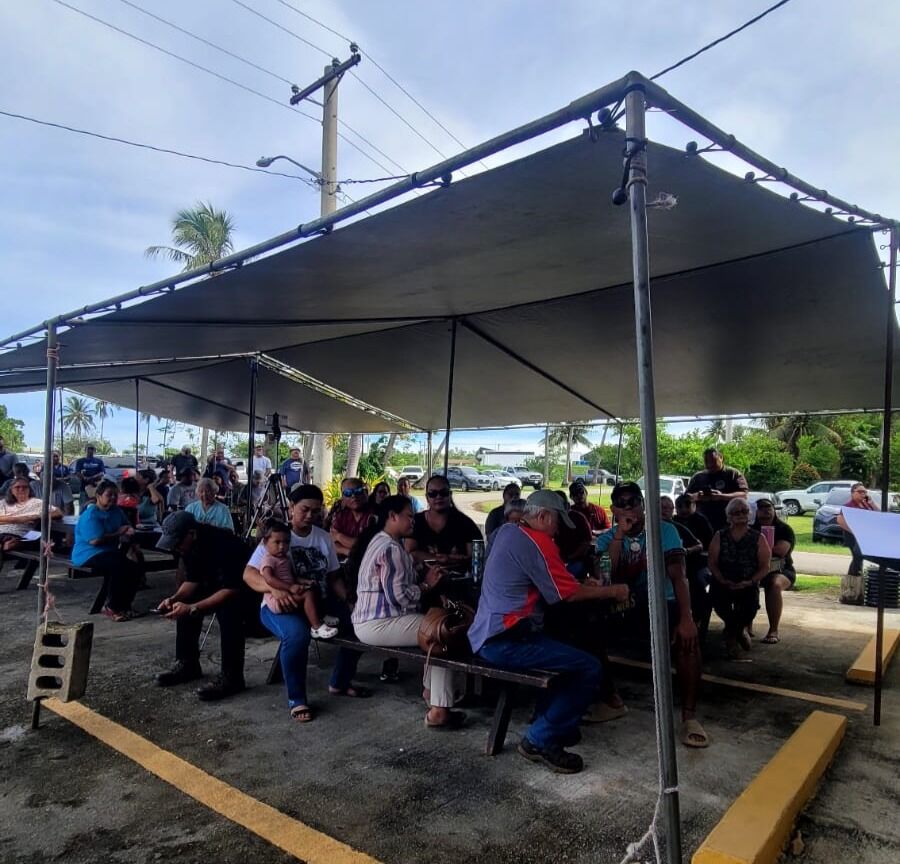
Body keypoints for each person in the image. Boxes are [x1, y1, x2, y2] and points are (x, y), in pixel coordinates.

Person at [470, 490, 629, 773]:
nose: (558, 530)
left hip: (489, 633)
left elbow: (556, 581)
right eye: (557, 523)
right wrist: (612, 590)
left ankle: (551, 723)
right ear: (542, 517)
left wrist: (583, 585)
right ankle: (539, 740)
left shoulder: (509, 531)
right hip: (504, 640)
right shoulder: (537, 542)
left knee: (565, 650)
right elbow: (565, 595)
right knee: (588, 668)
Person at [595, 482, 708, 748]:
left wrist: (686, 617)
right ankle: (612, 699)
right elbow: (606, 576)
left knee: (688, 642)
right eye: (621, 503)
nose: (628, 507)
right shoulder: (606, 539)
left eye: (633, 501)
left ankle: (689, 716)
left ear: (643, 505)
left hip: (662, 601)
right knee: (585, 629)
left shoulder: (664, 530)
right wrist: (620, 535)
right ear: (613, 509)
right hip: (624, 604)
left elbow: (679, 575)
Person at [243, 484, 368, 722]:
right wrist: (274, 589)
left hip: (318, 600)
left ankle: (340, 682)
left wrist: (350, 601)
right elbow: (249, 574)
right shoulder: (277, 536)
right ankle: (297, 699)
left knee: (361, 624)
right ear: (291, 507)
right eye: (304, 509)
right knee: (297, 635)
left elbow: (333, 576)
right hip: (280, 606)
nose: (310, 515)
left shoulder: (322, 537)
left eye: (316, 511)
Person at [352, 495, 466, 729]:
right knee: (441, 634)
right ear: (392, 516)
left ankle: (432, 694)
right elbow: (399, 597)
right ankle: (439, 709)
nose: (413, 521)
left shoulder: (381, 541)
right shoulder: (391, 549)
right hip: (379, 622)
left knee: (434, 626)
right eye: (409, 516)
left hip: (369, 620)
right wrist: (426, 585)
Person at [155, 511, 250, 700]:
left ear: (192, 534)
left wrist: (193, 608)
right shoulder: (188, 548)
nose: (176, 549)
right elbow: (193, 581)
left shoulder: (226, 545)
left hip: (246, 593)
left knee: (229, 611)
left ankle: (232, 677)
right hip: (217, 587)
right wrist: (174, 599)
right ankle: (187, 663)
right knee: (185, 603)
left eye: (177, 543)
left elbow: (231, 590)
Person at [71, 479, 145, 621]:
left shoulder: (116, 511)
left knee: (135, 567)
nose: (112, 498)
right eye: (109, 495)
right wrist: (118, 533)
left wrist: (128, 530)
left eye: (115, 495)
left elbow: (127, 525)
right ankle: (112, 607)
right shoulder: (91, 514)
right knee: (121, 567)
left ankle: (125, 605)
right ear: (98, 496)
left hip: (109, 552)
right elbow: (95, 540)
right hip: (89, 553)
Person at [708, 498, 770, 658]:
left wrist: (749, 581)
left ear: (750, 514)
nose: (740, 515)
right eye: (736, 512)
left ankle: (732, 633)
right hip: (723, 581)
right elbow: (712, 562)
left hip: (748, 581)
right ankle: (736, 633)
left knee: (749, 609)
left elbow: (765, 566)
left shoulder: (759, 537)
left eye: (744, 511)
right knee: (720, 604)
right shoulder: (719, 536)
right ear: (729, 516)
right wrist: (721, 579)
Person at [257, 519, 338, 639]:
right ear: (265, 542)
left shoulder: (284, 558)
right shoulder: (268, 559)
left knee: (314, 589)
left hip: (289, 592)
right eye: (277, 542)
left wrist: (303, 581)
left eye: (286, 542)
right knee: (308, 595)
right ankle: (316, 627)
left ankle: (320, 615)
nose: (282, 546)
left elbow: (291, 576)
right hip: (277, 600)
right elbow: (269, 579)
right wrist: (290, 587)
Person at [406, 475, 482, 571]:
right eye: (433, 493)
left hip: (458, 582)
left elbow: (475, 559)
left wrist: (448, 559)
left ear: (450, 494)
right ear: (427, 497)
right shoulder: (416, 521)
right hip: (422, 583)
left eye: (443, 493)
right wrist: (440, 558)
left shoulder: (466, 524)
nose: (438, 497)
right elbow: (410, 553)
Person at [661, 496, 711, 638]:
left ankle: (696, 623)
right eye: (661, 507)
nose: (664, 511)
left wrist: (685, 551)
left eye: (667, 508)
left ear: (672, 511)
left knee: (697, 586)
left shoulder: (678, 527)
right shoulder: (647, 529)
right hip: (660, 572)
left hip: (688, 567)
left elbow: (699, 545)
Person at [751, 497, 796, 644]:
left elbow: (780, 551)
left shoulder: (784, 529)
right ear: (756, 512)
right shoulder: (750, 529)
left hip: (781, 570)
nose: (766, 513)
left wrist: (760, 546)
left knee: (774, 584)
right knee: (746, 583)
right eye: (762, 510)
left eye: (769, 509)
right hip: (753, 569)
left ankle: (773, 630)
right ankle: (745, 626)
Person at [686, 447, 749, 532]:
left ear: (721, 458)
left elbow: (744, 495)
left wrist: (721, 496)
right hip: (701, 523)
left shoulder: (733, 474)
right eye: (706, 461)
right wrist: (698, 496)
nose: (710, 464)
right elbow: (686, 497)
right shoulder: (698, 477)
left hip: (728, 523)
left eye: (712, 460)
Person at [0, 478, 61, 551]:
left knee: (11, 544)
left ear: (29, 490)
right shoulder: (4, 503)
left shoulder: (36, 503)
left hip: (18, 535)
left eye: (25, 487)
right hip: (2, 533)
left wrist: (36, 516)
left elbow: (58, 512)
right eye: (17, 487)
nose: (21, 489)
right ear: (11, 490)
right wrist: (18, 519)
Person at [837, 483, 878, 579]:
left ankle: (855, 578)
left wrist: (872, 503)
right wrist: (854, 531)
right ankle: (852, 578)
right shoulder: (848, 506)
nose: (863, 494)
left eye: (865, 492)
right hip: (852, 536)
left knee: (860, 557)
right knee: (857, 556)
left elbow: (878, 514)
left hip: (863, 536)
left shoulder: (866, 505)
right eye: (860, 492)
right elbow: (840, 520)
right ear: (852, 493)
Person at [554, 490, 594, 577]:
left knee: (570, 572)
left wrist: (570, 557)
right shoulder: (550, 520)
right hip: (556, 560)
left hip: (576, 560)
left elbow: (586, 543)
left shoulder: (578, 518)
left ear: (567, 504)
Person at [330, 477, 373, 557]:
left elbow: (366, 546)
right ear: (342, 498)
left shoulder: (375, 515)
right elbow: (331, 543)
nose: (353, 496)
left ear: (366, 493)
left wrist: (338, 536)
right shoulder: (340, 515)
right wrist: (348, 551)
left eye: (358, 491)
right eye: (348, 493)